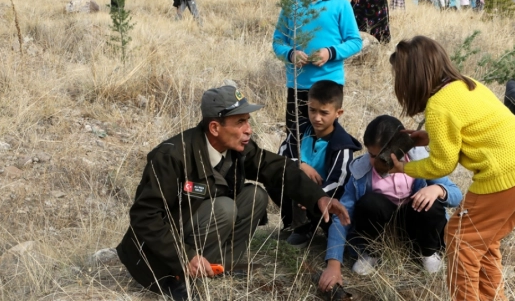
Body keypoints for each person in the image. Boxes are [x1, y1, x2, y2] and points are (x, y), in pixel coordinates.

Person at [116, 85, 350, 301]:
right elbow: (144, 217)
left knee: (255, 196)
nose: (248, 130)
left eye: (247, 120)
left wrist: (318, 197)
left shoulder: (238, 147)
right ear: (215, 128)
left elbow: (276, 168)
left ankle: (220, 265)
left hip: (197, 225)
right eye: (240, 122)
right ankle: (182, 279)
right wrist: (184, 257)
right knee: (224, 207)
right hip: (160, 259)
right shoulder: (171, 157)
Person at [387, 36, 515, 301]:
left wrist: (405, 168)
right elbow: (474, 127)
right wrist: (428, 137)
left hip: (503, 174)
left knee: (460, 239)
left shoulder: (438, 105)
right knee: (484, 242)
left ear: (412, 77)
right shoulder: (467, 84)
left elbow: (442, 164)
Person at [318, 115, 463, 293]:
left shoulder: (420, 161)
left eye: (381, 157)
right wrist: (333, 263)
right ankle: (372, 254)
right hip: (381, 230)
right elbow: (342, 214)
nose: (375, 161)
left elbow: (456, 195)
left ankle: (428, 252)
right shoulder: (360, 171)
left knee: (430, 203)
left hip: (416, 225)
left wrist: (437, 190)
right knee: (369, 202)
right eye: (371, 155)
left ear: (399, 149)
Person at [272, 0, 362, 165]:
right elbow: (277, 42)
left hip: (329, 85)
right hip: (297, 86)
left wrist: (330, 52)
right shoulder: (291, 5)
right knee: (295, 138)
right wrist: (291, 53)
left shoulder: (340, 5)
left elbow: (355, 41)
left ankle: (326, 190)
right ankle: (294, 190)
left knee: (325, 140)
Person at [278, 80, 362, 247]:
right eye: (312, 110)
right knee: (277, 177)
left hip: (326, 198)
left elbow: (339, 183)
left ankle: (316, 227)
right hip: (301, 192)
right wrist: (299, 164)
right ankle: (297, 226)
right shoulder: (299, 129)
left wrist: (312, 195)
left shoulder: (343, 144)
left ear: (339, 113)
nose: (317, 118)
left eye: (324, 112)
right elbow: (281, 156)